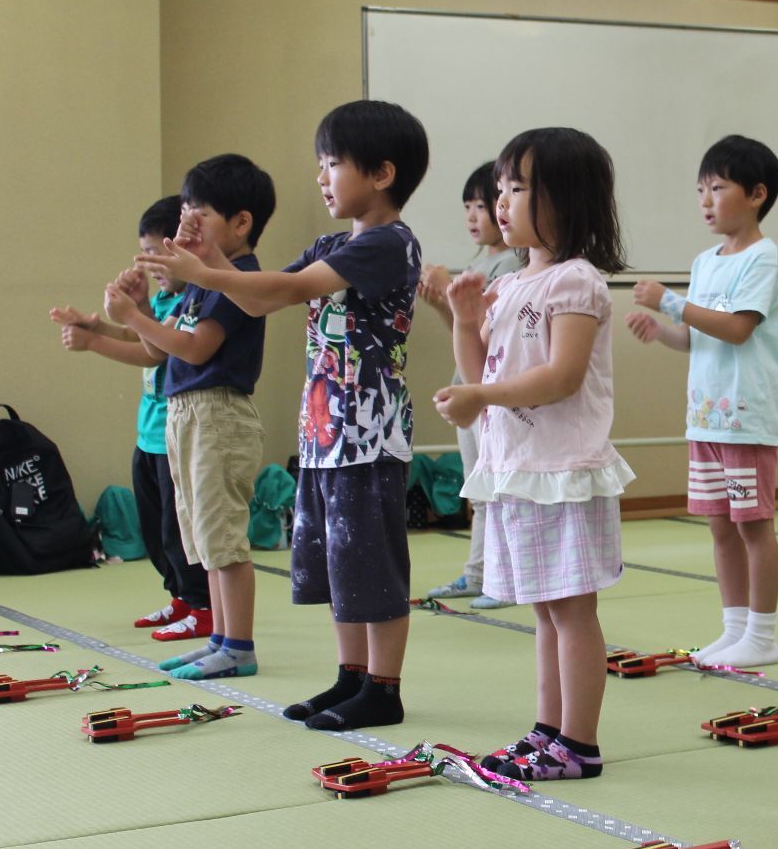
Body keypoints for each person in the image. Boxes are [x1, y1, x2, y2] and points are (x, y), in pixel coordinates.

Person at [140, 101, 427, 729]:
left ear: (381, 173)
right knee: (338, 560)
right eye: (320, 166)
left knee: (371, 560)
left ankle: (384, 687)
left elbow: (289, 290)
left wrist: (200, 268)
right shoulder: (331, 241)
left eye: (332, 165)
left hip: (368, 432)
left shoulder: (387, 244)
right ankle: (351, 677)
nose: (322, 178)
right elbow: (264, 291)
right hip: (326, 430)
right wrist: (206, 259)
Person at [435, 127, 633, 781]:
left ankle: (579, 742)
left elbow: (561, 377)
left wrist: (480, 393)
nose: (502, 201)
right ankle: (549, 730)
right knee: (546, 611)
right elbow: (481, 372)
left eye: (519, 188)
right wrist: (466, 321)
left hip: (563, 471)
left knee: (571, 611)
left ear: (566, 199)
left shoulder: (576, 284)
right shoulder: (515, 282)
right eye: (501, 188)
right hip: (521, 468)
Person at [107, 155, 275, 680]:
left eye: (197, 212)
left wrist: (133, 319)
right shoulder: (200, 281)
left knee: (223, 537)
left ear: (240, 223)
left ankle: (239, 646)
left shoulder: (237, 277)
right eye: (184, 210)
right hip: (186, 413)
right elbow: (165, 347)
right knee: (202, 536)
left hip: (217, 414)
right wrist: (143, 309)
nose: (185, 223)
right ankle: (221, 638)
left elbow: (197, 349)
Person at [626, 135, 778, 668]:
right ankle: (735, 627)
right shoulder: (705, 261)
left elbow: (739, 329)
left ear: (757, 194)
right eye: (700, 189)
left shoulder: (766, 259)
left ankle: (762, 635)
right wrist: (661, 328)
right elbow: (698, 338)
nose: (705, 199)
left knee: (752, 525)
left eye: (717, 187)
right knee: (721, 525)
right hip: (705, 418)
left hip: (745, 417)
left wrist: (671, 303)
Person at [51, 196, 212, 640]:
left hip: (175, 436)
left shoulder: (191, 301)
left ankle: (202, 604)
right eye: (146, 255)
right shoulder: (162, 299)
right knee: (156, 530)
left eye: (161, 255)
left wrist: (95, 341)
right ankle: (181, 596)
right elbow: (139, 332)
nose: (153, 266)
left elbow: (154, 350)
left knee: (179, 533)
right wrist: (100, 324)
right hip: (149, 434)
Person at [421, 162, 524, 611]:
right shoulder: (481, 261)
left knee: (498, 491)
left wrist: (450, 295)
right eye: (470, 206)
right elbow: (465, 333)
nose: (475, 215)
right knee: (479, 490)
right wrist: (444, 303)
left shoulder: (511, 262)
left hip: (492, 393)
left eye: (481, 205)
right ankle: (479, 573)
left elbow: (494, 333)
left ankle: (502, 578)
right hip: (470, 387)